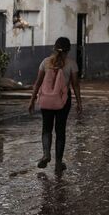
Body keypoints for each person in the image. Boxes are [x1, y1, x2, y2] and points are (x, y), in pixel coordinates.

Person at [28, 37, 82, 171]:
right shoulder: (71, 64)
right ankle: (58, 162)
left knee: (46, 128)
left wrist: (32, 100)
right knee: (60, 130)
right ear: (68, 50)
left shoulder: (45, 62)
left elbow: (38, 82)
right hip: (63, 101)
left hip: (46, 100)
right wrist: (79, 102)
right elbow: (75, 85)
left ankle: (46, 154)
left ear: (54, 48)